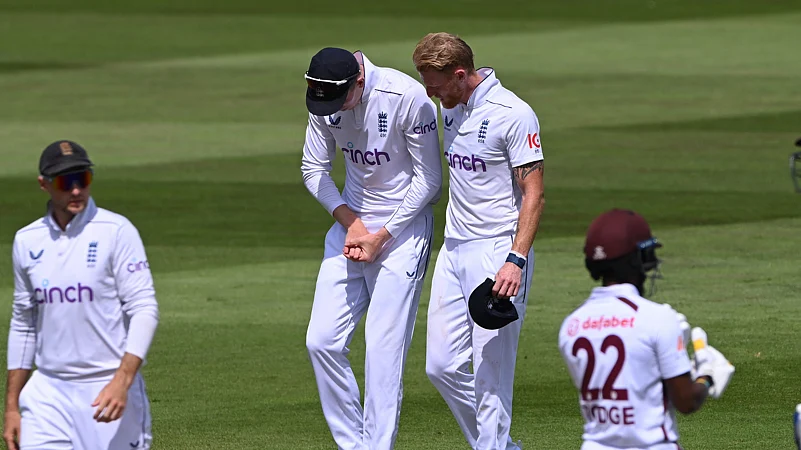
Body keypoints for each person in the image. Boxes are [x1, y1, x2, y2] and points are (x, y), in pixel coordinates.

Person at [301, 47, 442, 449]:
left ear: (358, 81)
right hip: (351, 227)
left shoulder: (407, 97)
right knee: (321, 341)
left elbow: (429, 180)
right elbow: (313, 168)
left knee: (382, 352)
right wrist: (353, 223)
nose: (328, 110)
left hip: (402, 233)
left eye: (336, 100)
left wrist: (382, 235)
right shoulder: (324, 99)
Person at [412, 32, 546, 449]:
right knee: (441, 367)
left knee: (491, 379)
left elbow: (534, 193)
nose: (431, 94)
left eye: (435, 86)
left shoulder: (514, 113)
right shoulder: (452, 104)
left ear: (459, 74)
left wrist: (515, 259)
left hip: (497, 253)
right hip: (453, 250)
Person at [4, 140, 159, 450]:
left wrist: (122, 381)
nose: (76, 190)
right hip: (48, 393)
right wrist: (11, 407)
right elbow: (24, 323)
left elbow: (144, 308)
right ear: (44, 184)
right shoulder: (27, 240)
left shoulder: (116, 231)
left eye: (83, 179)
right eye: (65, 182)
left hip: (106, 390)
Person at [558, 208, 735, 450]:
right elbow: (686, 402)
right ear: (635, 260)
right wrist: (706, 376)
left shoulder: (572, 325)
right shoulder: (657, 318)